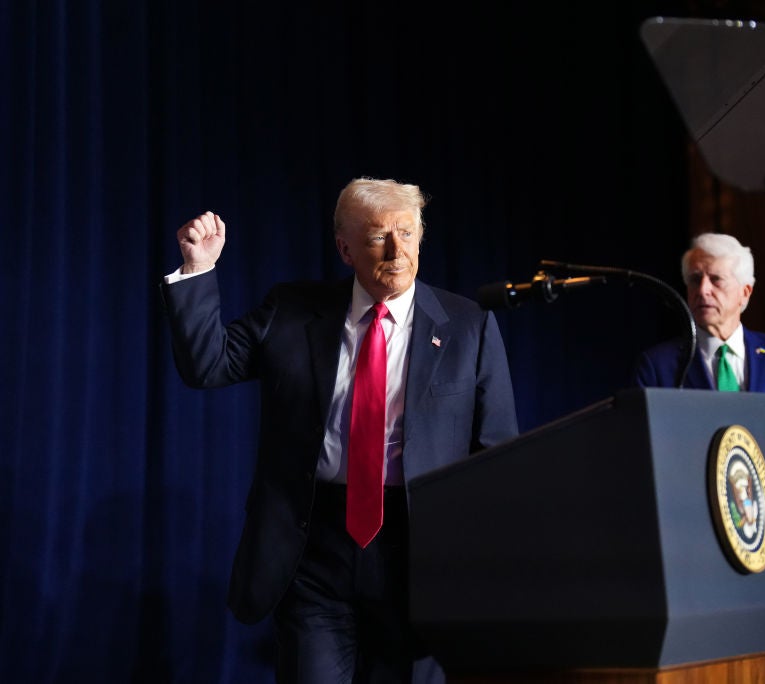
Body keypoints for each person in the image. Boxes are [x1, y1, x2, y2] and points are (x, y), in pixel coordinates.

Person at [160, 178, 519, 683]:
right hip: (316, 549)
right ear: (344, 248)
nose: (397, 250)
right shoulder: (292, 310)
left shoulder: (468, 326)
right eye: (377, 237)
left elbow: (497, 454)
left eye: (407, 233)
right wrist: (199, 268)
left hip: (418, 556)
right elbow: (206, 365)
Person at [632, 232, 765, 488]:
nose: (703, 290)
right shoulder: (657, 365)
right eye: (695, 280)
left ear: (745, 293)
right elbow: (643, 452)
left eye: (716, 280)